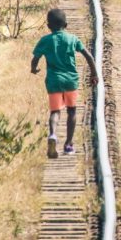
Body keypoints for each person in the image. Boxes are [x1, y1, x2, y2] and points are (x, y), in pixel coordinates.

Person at [31, 8, 99, 158]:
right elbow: (89, 57)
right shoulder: (73, 39)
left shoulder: (46, 40)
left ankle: (53, 134)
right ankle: (68, 144)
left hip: (54, 81)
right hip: (70, 80)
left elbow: (35, 58)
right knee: (72, 111)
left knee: (55, 111)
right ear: (66, 25)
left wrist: (33, 68)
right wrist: (94, 74)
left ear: (48, 26)